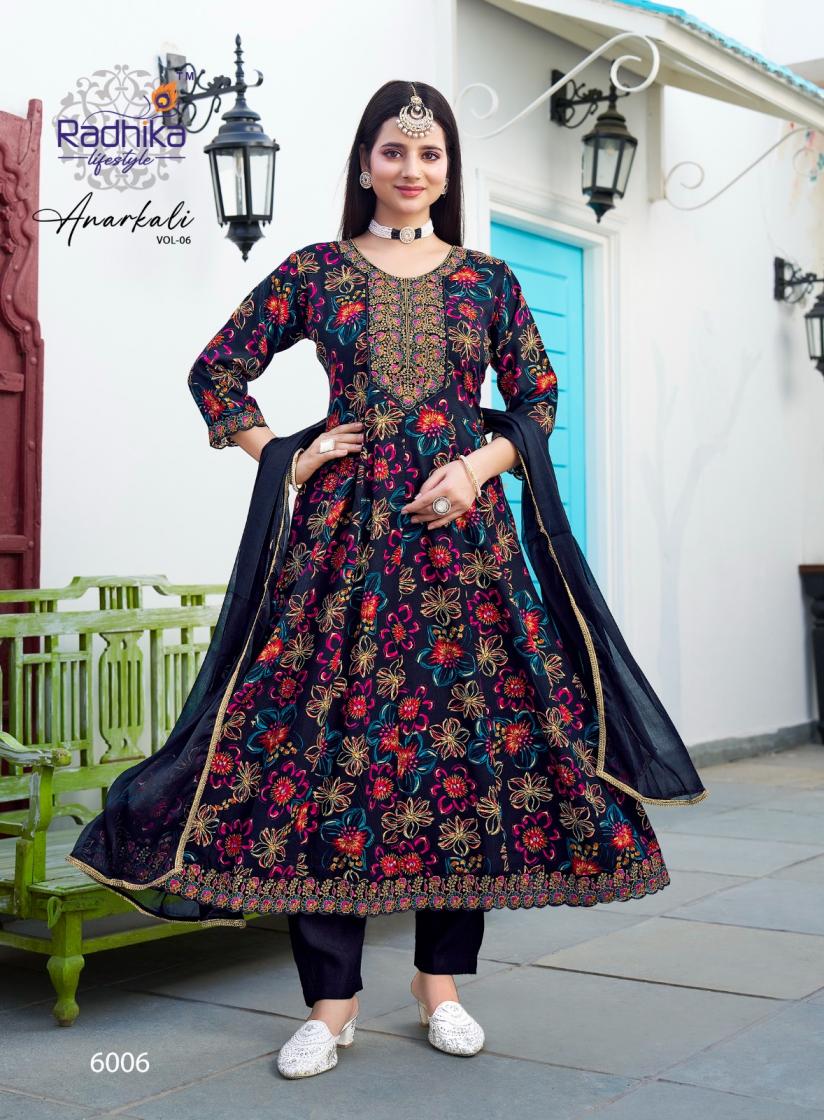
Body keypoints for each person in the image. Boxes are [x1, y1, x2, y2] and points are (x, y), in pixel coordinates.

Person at [68, 80, 707, 1079]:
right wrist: (286, 455)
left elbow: (537, 398)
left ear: (449, 171)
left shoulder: (487, 281)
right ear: (364, 162)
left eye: (430, 153)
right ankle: (330, 1006)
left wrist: (478, 467)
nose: (411, 168)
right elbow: (217, 370)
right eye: (393, 150)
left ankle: (439, 986)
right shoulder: (315, 272)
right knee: (319, 755)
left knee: (471, 753)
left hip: (466, 556)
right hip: (340, 552)